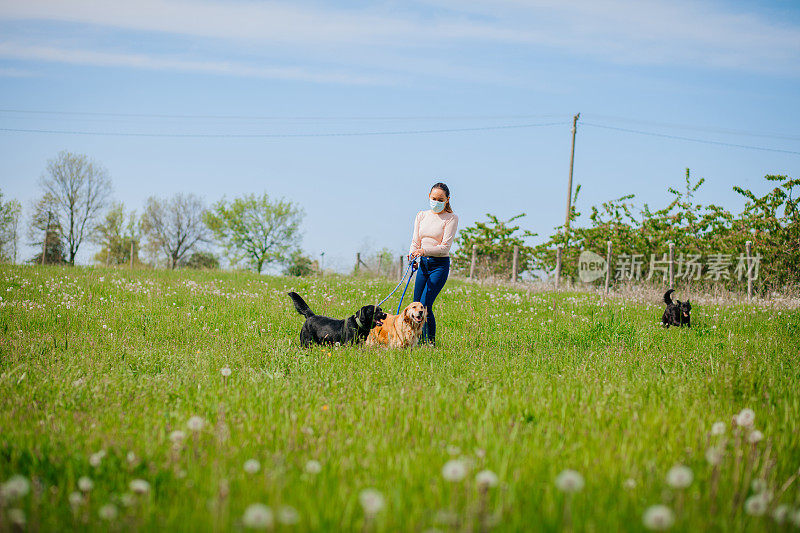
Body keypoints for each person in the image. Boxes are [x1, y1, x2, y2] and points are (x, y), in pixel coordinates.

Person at [408, 182, 459, 346]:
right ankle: (416, 340)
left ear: (447, 199)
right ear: (429, 197)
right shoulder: (421, 215)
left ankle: (429, 343)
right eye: (433, 198)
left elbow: (444, 248)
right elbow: (416, 241)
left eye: (440, 199)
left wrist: (423, 251)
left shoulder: (451, 218)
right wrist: (413, 257)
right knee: (416, 305)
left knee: (425, 305)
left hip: (439, 265)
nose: (436, 201)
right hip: (423, 264)